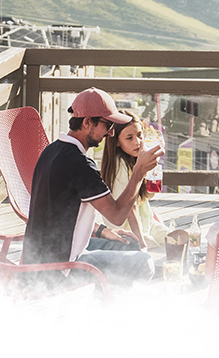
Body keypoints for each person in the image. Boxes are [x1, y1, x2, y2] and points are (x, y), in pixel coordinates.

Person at [21, 88, 164, 289]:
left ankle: (105, 303)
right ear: (87, 122)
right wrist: (139, 172)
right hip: (59, 269)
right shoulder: (80, 165)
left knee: (128, 244)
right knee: (145, 264)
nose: (111, 133)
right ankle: (103, 311)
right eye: (108, 125)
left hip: (40, 259)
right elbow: (117, 215)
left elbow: (61, 212)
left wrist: (103, 231)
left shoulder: (51, 151)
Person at [90, 111, 169, 251]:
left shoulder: (135, 161)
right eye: (129, 138)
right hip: (131, 233)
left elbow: (146, 196)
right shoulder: (120, 165)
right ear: (117, 143)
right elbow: (131, 210)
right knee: (165, 251)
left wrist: (151, 173)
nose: (137, 142)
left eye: (139, 135)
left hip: (148, 225)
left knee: (181, 239)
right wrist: (142, 245)